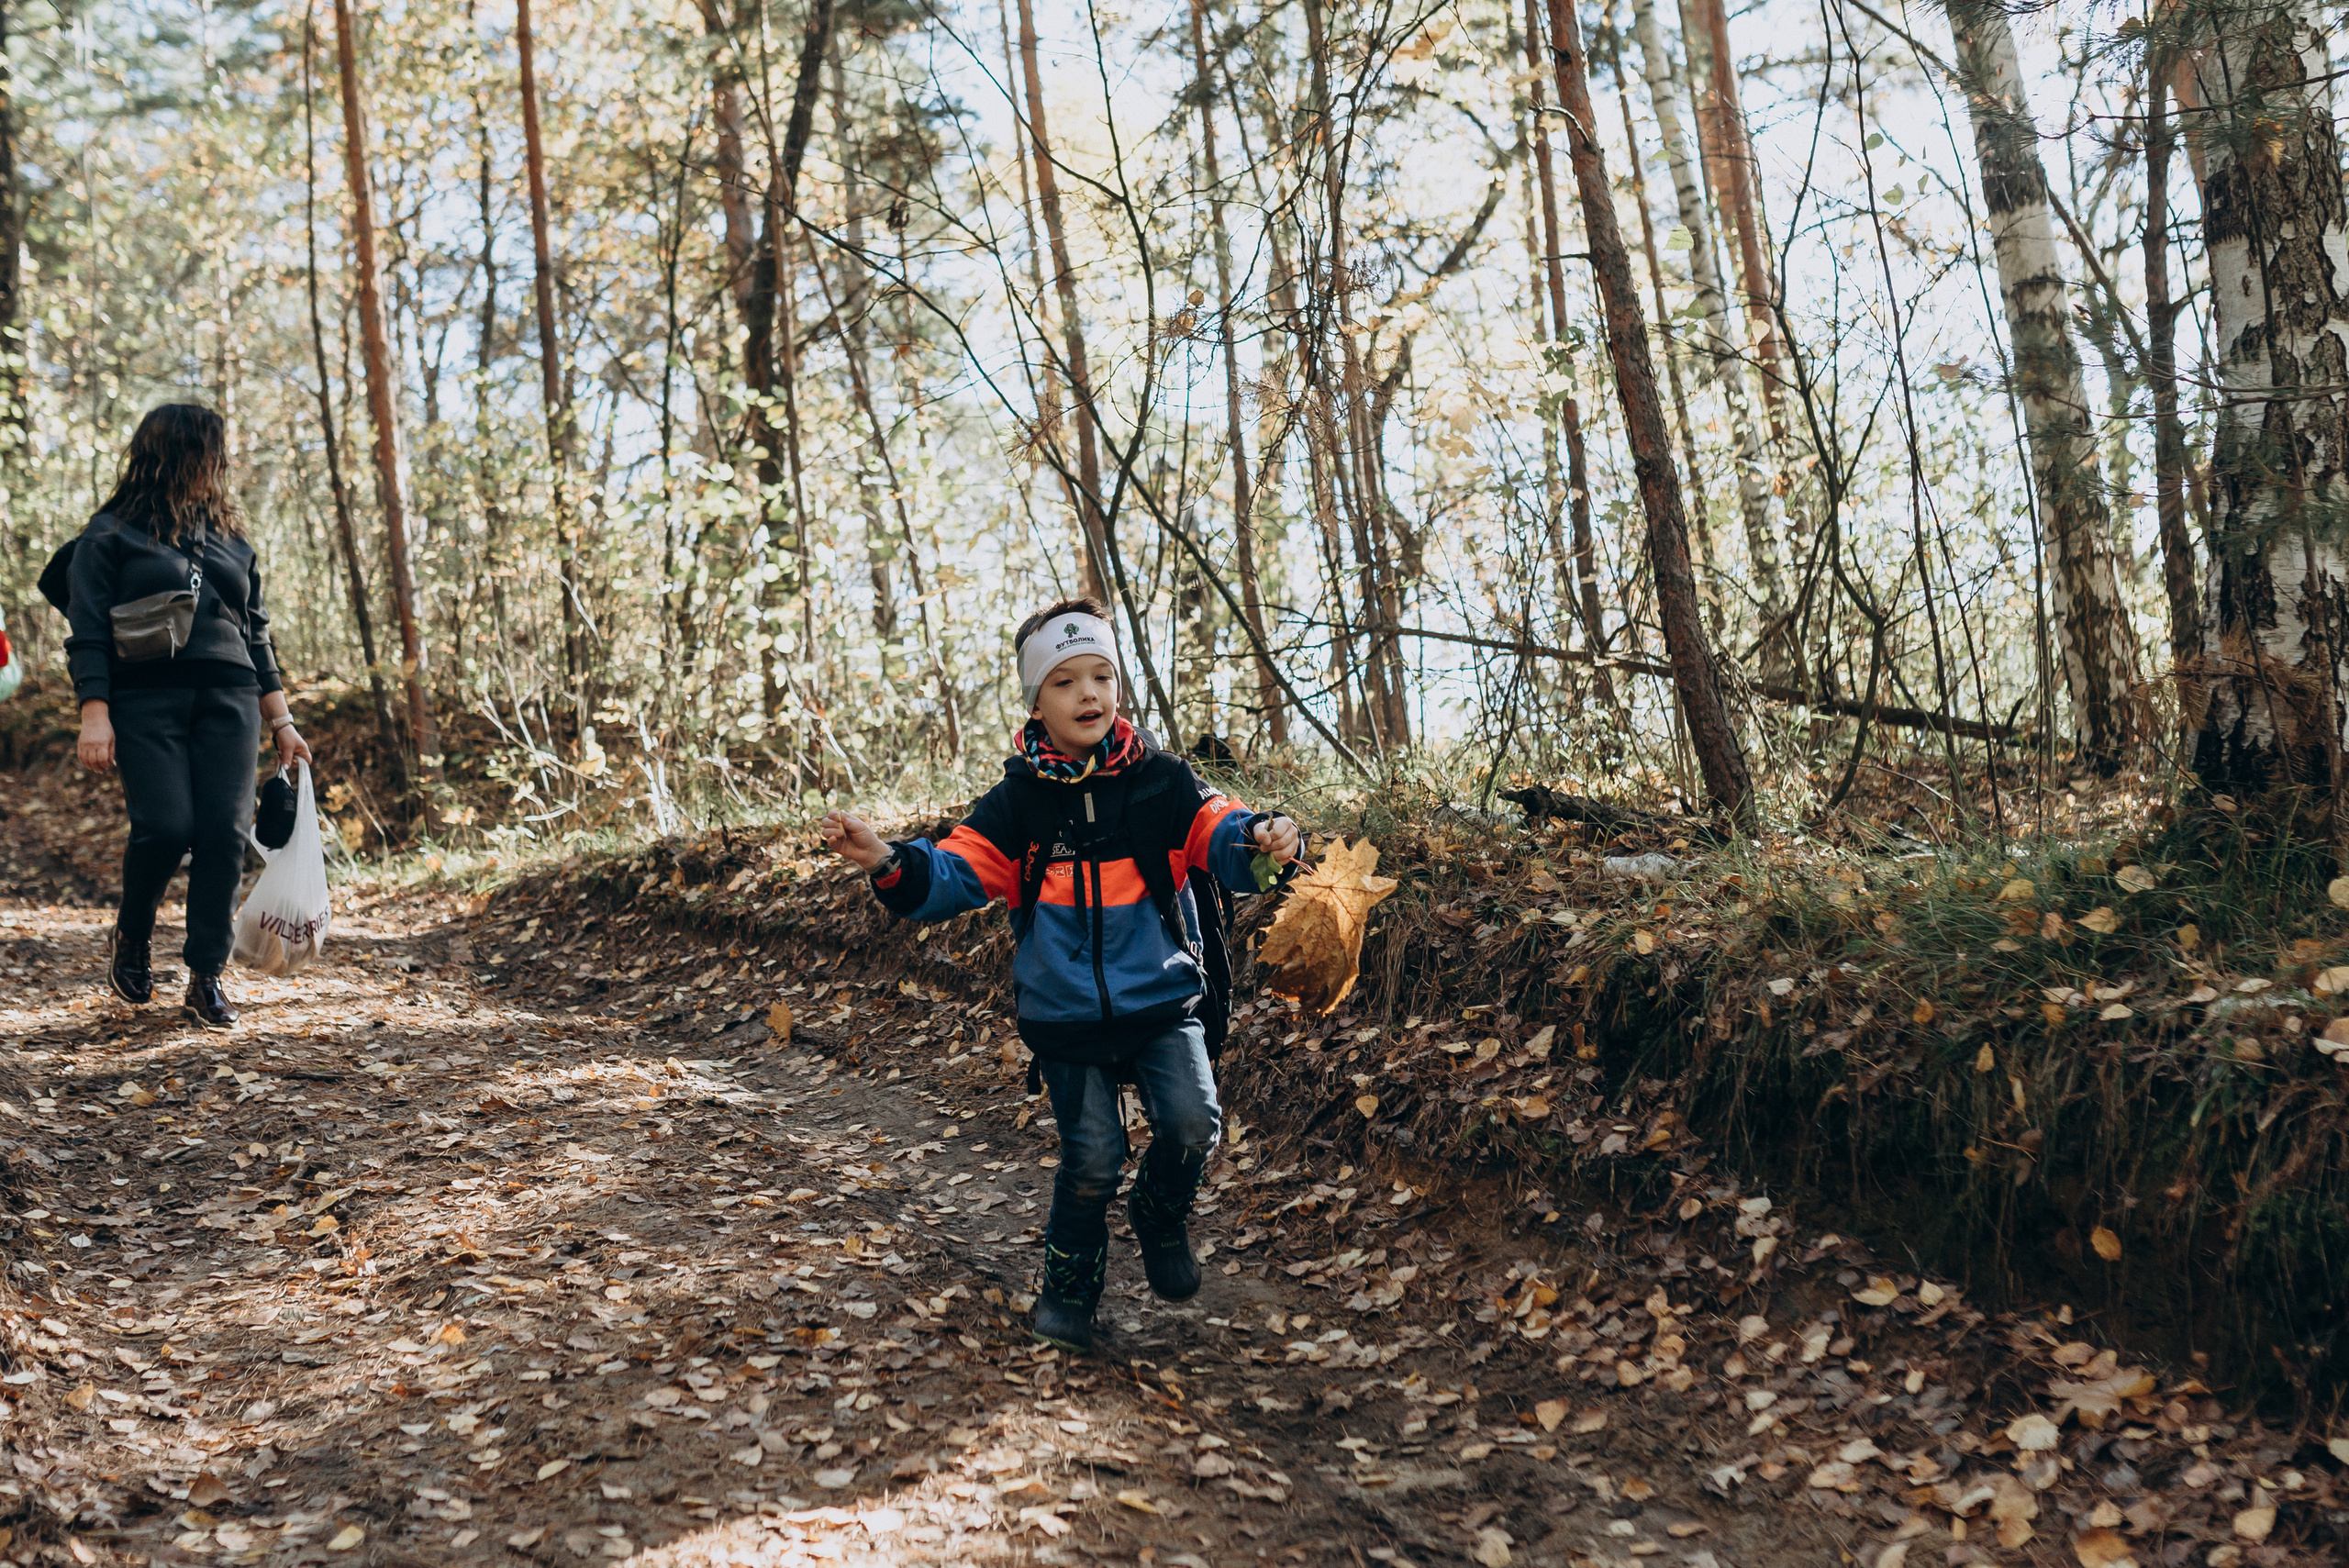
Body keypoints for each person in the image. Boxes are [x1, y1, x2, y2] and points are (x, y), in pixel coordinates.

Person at [821, 597, 1299, 1351]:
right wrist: (888, 859)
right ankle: (1070, 1287)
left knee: (1191, 1122)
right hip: (1065, 1016)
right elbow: (950, 874)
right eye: (1066, 680)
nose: (1088, 694)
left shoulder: (1163, 782)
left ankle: (1160, 1212)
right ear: (1036, 702)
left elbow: (1224, 832)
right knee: (1093, 1157)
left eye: (1102, 676)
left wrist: (1266, 837)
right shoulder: (1019, 806)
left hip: (1162, 998)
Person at [65, 404, 312, 1028]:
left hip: (230, 698)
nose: (224, 463)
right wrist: (95, 712)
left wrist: (282, 721)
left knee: (224, 835)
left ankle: (206, 975)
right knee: (166, 827)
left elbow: (257, 633)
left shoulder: (231, 538)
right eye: (213, 450)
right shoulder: (109, 532)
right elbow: (88, 630)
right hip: (144, 698)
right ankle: (133, 933)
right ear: (179, 454)